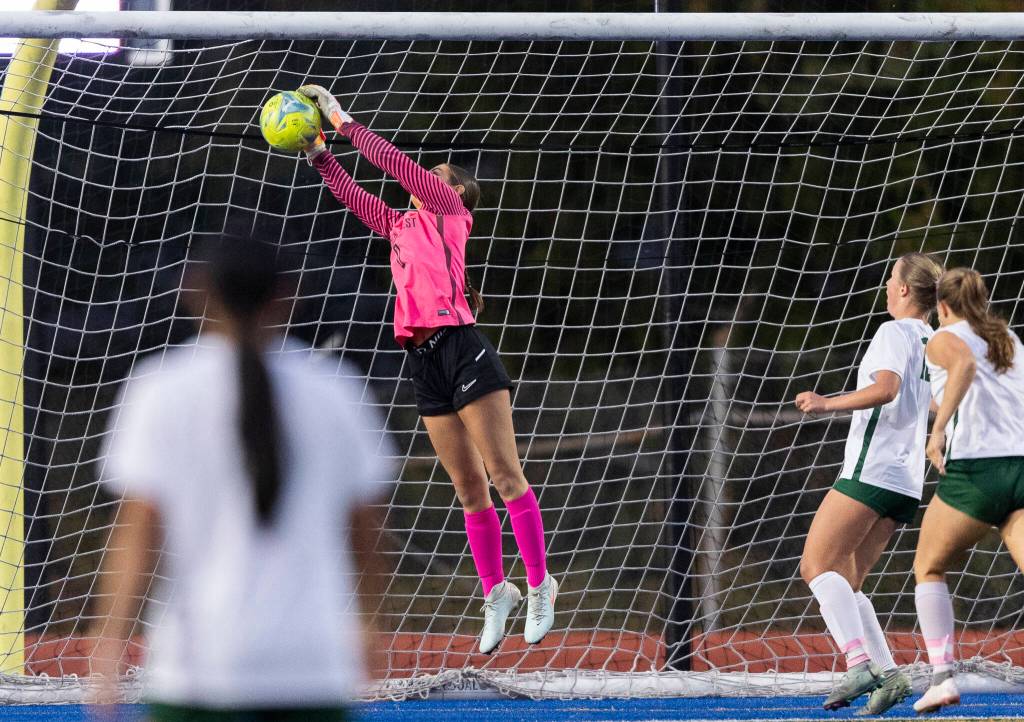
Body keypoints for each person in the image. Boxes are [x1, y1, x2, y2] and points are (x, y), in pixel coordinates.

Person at [295, 84, 556, 654]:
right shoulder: (398, 226)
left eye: (441, 175)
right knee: (467, 489)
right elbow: (347, 191)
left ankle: (539, 583)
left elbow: (396, 164)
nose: (429, 180)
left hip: (464, 348)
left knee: (504, 475)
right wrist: (319, 153)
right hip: (422, 360)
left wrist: (343, 120)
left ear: (454, 191)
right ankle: (497, 592)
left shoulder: (448, 210)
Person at [90, 236, 391, 721]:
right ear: (286, 297)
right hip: (310, 665)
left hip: (197, 670)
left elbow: (138, 532)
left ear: (197, 294)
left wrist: (109, 641)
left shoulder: (158, 389)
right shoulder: (336, 393)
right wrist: (371, 621)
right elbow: (367, 531)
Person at [795, 252, 943, 714]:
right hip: (906, 482)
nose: (885, 284)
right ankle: (890, 675)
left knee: (816, 567)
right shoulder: (933, 340)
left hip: (872, 471)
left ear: (903, 290)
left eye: (890, 277)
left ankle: (858, 664)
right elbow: (937, 403)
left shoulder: (894, 331)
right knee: (849, 583)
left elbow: (886, 388)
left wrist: (825, 403)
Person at [912, 268, 1024, 714]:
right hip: (1020, 466)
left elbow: (962, 365)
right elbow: (974, 386)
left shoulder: (943, 337)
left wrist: (937, 433)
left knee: (928, 565)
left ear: (941, 305)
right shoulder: (1008, 339)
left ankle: (941, 679)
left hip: (978, 471)